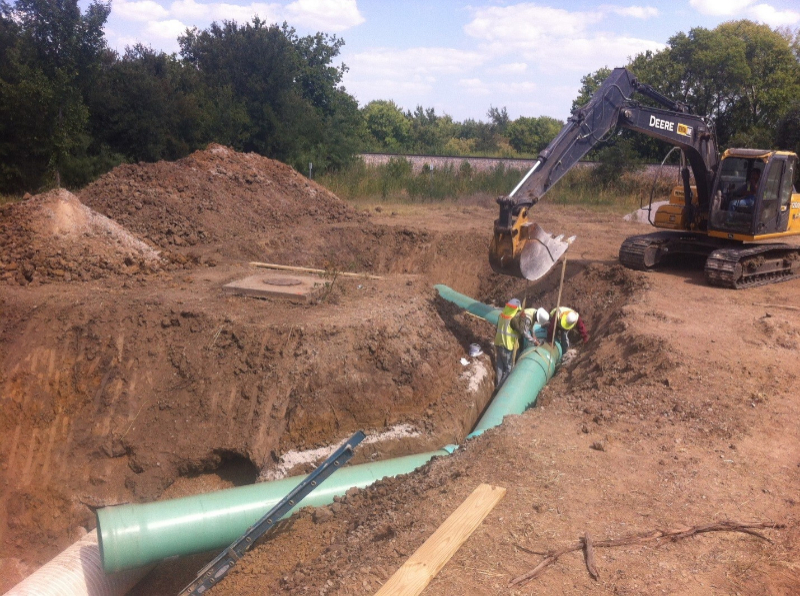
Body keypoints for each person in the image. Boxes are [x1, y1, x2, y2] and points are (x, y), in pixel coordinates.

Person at [494, 298, 522, 387]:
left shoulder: (502, 315)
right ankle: (500, 389)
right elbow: (520, 332)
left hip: (498, 343)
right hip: (507, 346)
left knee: (500, 366)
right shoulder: (513, 319)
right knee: (509, 369)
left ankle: (497, 385)